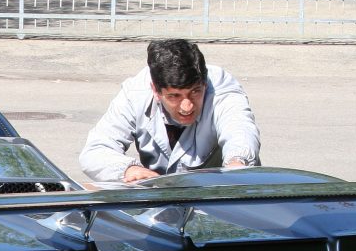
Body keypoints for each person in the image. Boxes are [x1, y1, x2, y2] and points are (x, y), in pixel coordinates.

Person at [79, 39, 260, 183]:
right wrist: (129, 170)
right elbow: (95, 151)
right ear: (155, 90)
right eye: (174, 96)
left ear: (204, 83)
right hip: (161, 200)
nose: (187, 106)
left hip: (223, 194)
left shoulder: (221, 86)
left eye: (195, 92)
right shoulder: (134, 94)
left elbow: (239, 127)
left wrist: (237, 163)